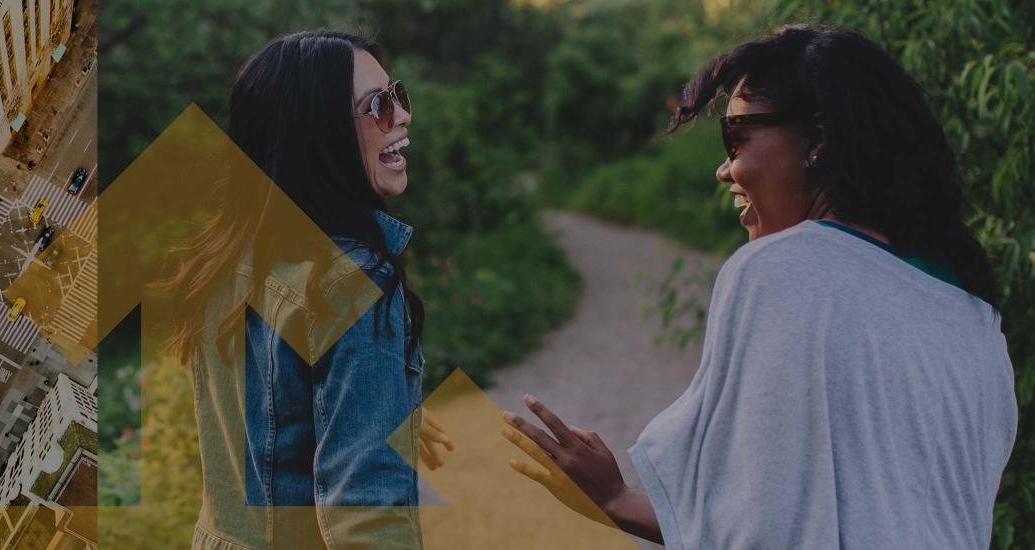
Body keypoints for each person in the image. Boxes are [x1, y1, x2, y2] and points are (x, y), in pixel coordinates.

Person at [503, 25, 1016, 548]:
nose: (725, 170)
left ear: (816, 139)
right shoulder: (975, 315)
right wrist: (614, 499)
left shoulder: (780, 269)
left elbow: (764, 531)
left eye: (737, 138)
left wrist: (614, 500)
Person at [161, 30, 449, 549]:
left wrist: (384, 404)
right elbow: (367, 519)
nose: (403, 115)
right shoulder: (349, 287)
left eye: (397, 96)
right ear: (319, 134)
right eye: (377, 107)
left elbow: (256, 434)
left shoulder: (228, 262)